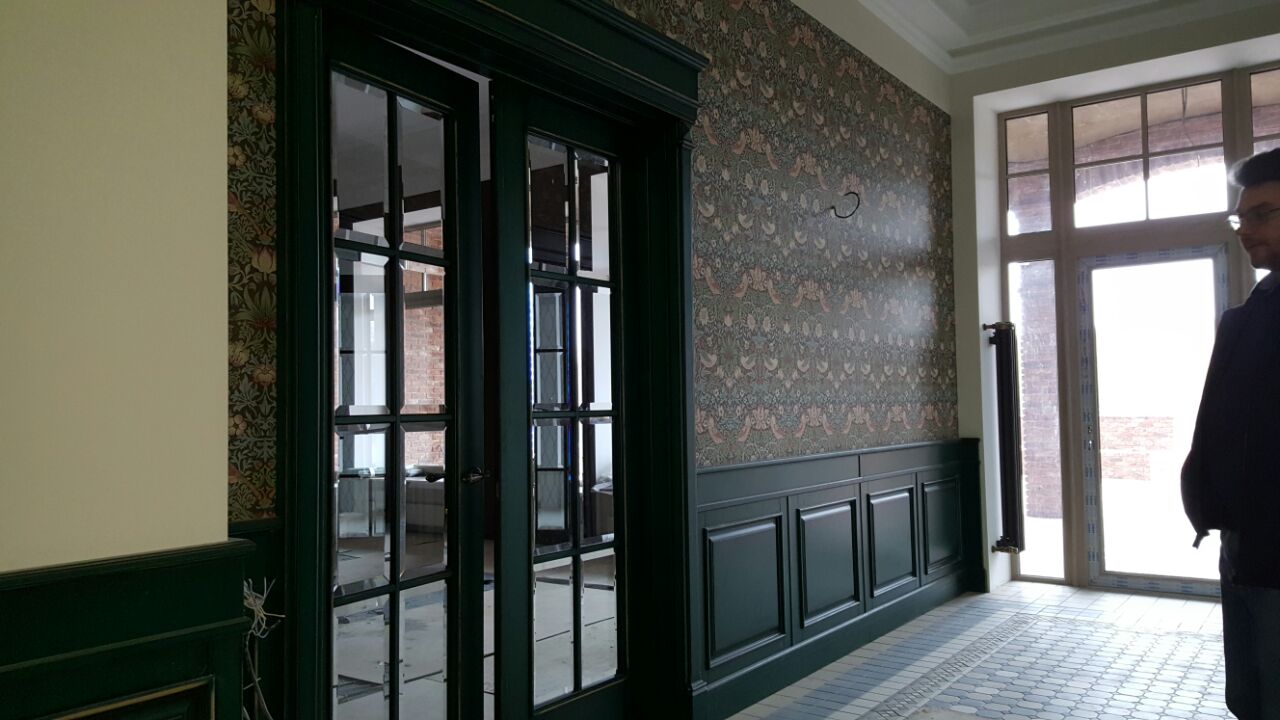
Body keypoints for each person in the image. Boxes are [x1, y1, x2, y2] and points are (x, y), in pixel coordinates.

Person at [1182, 146, 1280, 720]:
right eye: (1241, 218)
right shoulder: (1252, 311)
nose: (1246, 230)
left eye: (1263, 214)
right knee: (1250, 694)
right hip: (1244, 545)